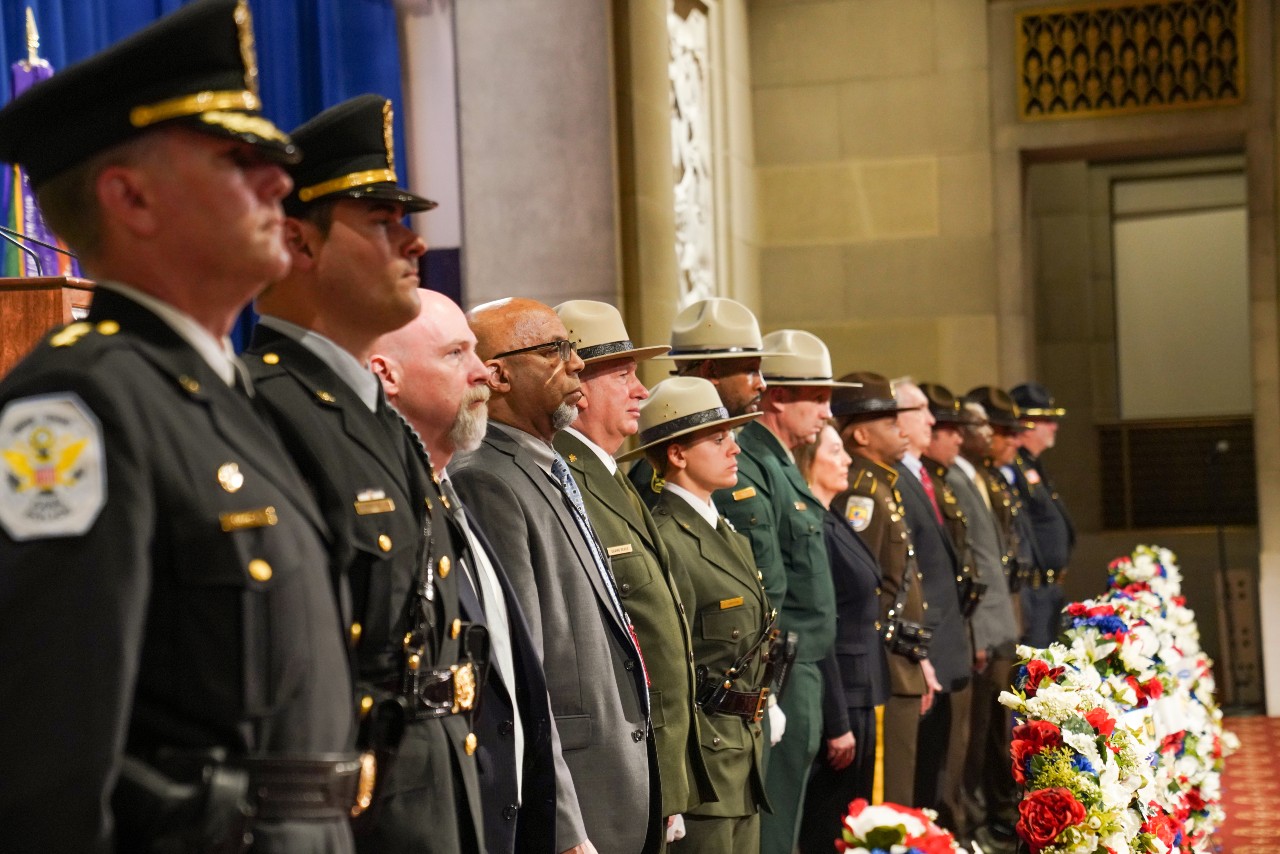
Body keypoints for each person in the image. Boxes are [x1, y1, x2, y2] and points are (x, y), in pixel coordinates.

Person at [0, 1, 358, 850]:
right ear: (130, 197)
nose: (282, 181)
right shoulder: (78, 406)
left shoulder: (221, 398)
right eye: (240, 159)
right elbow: (47, 757)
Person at [243, 96, 483, 853]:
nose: (413, 242)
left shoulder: (379, 417)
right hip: (356, 817)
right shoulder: (266, 409)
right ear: (298, 244)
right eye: (381, 222)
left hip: (435, 792)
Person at [449, 298, 658, 854]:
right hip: (576, 805)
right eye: (553, 351)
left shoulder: (546, 464)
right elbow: (523, 671)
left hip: (617, 780)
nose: (576, 365)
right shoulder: (488, 479)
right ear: (496, 375)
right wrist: (564, 826)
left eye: (571, 349)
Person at [370, 289, 573, 853]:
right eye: (456, 353)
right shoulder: (398, 500)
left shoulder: (445, 493)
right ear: (386, 374)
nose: (484, 372)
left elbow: (508, 667)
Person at [553, 300, 713, 842]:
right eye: (622, 375)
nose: (642, 391)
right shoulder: (568, 479)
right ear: (577, 389)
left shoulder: (612, 477)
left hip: (653, 756)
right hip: (618, 763)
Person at [714, 329, 850, 854]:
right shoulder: (750, 463)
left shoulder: (779, 462)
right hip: (780, 668)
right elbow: (762, 584)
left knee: (788, 815)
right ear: (777, 397)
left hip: (804, 665)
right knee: (773, 825)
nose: (826, 412)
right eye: (816, 397)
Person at [627, 377, 773, 853]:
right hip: (704, 768)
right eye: (718, 439)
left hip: (743, 754)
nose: (735, 449)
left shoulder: (724, 530)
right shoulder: (668, 537)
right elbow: (668, 663)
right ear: (677, 454)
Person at [832, 372, 937, 807]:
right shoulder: (863, 494)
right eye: (888, 420)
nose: (901, 428)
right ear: (860, 433)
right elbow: (861, 588)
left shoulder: (881, 485)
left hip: (901, 659)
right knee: (887, 794)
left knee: (902, 788)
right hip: (884, 665)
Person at [795, 423, 890, 854]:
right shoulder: (814, 526)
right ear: (808, 461)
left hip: (861, 684)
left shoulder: (831, 518)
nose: (848, 459)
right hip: (843, 694)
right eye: (835, 452)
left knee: (852, 815)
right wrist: (837, 721)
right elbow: (822, 627)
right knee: (829, 821)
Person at [891, 380, 972, 814]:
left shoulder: (922, 476)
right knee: (922, 774)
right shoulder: (896, 479)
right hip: (925, 642)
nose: (930, 419)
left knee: (941, 761)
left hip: (942, 638)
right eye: (919, 409)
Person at [952, 396, 1021, 854]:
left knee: (993, 729)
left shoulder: (977, 475)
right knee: (973, 736)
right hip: (982, 627)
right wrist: (977, 630)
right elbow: (967, 562)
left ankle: (981, 817)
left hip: (1000, 623)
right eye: (977, 427)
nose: (985, 435)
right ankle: (970, 821)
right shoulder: (956, 477)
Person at [628, 298, 778, 507]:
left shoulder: (749, 450)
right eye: (751, 370)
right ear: (711, 371)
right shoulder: (662, 467)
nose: (762, 384)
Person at [917, 383, 983, 837]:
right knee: (933, 764)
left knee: (955, 751)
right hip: (929, 640)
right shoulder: (913, 479)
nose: (958, 438)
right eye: (947, 428)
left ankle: (952, 831)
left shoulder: (937, 478)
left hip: (951, 634)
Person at [1009, 382, 1075, 648]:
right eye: (1046, 419)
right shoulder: (1014, 467)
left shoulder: (1031, 465)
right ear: (1025, 423)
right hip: (1032, 590)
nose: (1054, 427)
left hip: (1048, 589)